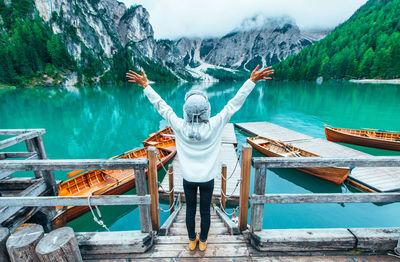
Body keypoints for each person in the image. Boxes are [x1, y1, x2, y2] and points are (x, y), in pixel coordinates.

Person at [126, 65, 274, 251]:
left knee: (189, 210)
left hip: (188, 178)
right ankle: (203, 240)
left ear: (186, 110)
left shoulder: (179, 126)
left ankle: (191, 239)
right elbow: (234, 103)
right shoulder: (215, 124)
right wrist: (251, 81)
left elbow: (161, 106)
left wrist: (146, 85)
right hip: (208, 179)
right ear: (207, 109)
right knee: (205, 211)